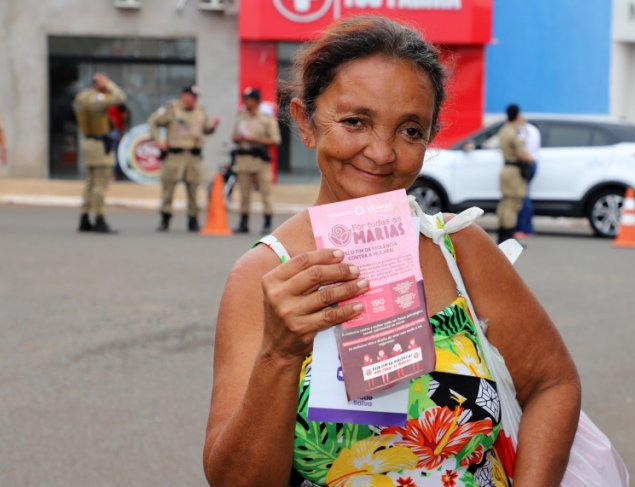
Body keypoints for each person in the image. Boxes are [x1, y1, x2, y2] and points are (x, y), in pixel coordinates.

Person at [203, 17, 580, 486]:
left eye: (409, 131)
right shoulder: (263, 276)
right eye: (355, 121)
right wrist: (278, 356)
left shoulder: (458, 250)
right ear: (306, 122)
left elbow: (553, 384)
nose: (381, 153)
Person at [148, 85, 220, 232]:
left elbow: (206, 129)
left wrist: (213, 126)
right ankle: (165, 218)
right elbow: (153, 122)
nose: (194, 100)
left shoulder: (200, 111)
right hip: (175, 154)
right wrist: (157, 141)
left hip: (193, 156)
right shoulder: (172, 109)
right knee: (169, 187)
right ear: (184, 96)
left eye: (196, 97)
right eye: (192, 97)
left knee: (193, 187)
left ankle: (193, 219)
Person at [72, 72, 126, 233]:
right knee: (100, 184)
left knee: (89, 184)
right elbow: (120, 98)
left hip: (88, 142)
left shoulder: (81, 97)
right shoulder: (97, 99)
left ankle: (84, 217)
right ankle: (100, 218)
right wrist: (108, 84)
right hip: (99, 145)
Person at [231, 87, 282, 234]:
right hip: (244, 158)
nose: (246, 102)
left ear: (256, 101)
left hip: (260, 159)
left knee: (265, 192)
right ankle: (243, 222)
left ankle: (267, 222)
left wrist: (256, 139)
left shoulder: (266, 118)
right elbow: (233, 136)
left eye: (249, 99)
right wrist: (238, 138)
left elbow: (276, 140)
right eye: (245, 99)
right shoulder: (241, 117)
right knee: (244, 192)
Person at [496, 104, 534, 243]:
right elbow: (522, 154)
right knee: (513, 205)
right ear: (517, 115)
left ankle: (502, 234)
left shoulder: (504, 130)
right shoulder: (514, 132)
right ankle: (508, 237)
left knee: (505, 203)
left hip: (506, 169)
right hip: (514, 171)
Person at [515, 120, 541, 238]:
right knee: (525, 196)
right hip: (532, 163)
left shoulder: (522, 131)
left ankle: (524, 228)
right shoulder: (533, 129)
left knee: (522, 197)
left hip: (526, 164)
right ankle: (528, 228)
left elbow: (521, 150)